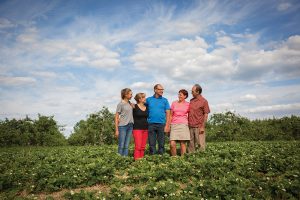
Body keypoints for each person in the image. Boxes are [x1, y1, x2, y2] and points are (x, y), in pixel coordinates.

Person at [146, 84, 170, 155]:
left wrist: (167, 125)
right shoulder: (148, 100)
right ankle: (152, 158)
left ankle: (161, 158)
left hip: (161, 124)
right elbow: (140, 106)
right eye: (160, 89)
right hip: (151, 124)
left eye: (162, 89)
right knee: (151, 143)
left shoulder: (165, 100)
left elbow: (168, 113)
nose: (162, 91)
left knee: (161, 143)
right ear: (155, 90)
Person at [188, 84, 210, 152]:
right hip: (190, 126)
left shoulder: (204, 101)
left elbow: (206, 114)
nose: (191, 93)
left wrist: (203, 127)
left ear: (198, 92)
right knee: (190, 145)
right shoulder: (191, 100)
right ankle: (190, 159)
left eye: (192, 91)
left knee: (201, 145)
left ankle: (201, 160)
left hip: (199, 126)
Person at [169, 89, 190, 156]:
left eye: (180, 95)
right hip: (174, 124)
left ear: (185, 96)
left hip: (183, 124)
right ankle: (174, 159)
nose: (179, 96)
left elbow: (189, 115)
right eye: (178, 94)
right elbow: (170, 115)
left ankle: (182, 159)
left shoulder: (188, 104)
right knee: (172, 143)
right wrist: (168, 125)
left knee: (182, 143)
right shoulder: (174, 103)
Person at [115, 88, 134, 156]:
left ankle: (125, 160)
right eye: (130, 94)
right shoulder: (120, 104)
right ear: (126, 95)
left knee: (126, 145)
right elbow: (116, 117)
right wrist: (117, 130)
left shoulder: (130, 104)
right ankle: (120, 160)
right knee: (121, 145)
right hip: (122, 126)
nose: (132, 96)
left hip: (130, 126)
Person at [132, 93, 148, 160]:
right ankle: (137, 161)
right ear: (139, 99)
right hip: (137, 129)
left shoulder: (147, 107)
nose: (145, 99)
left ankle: (141, 162)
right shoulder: (134, 106)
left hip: (146, 129)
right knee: (138, 146)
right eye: (144, 97)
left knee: (143, 147)